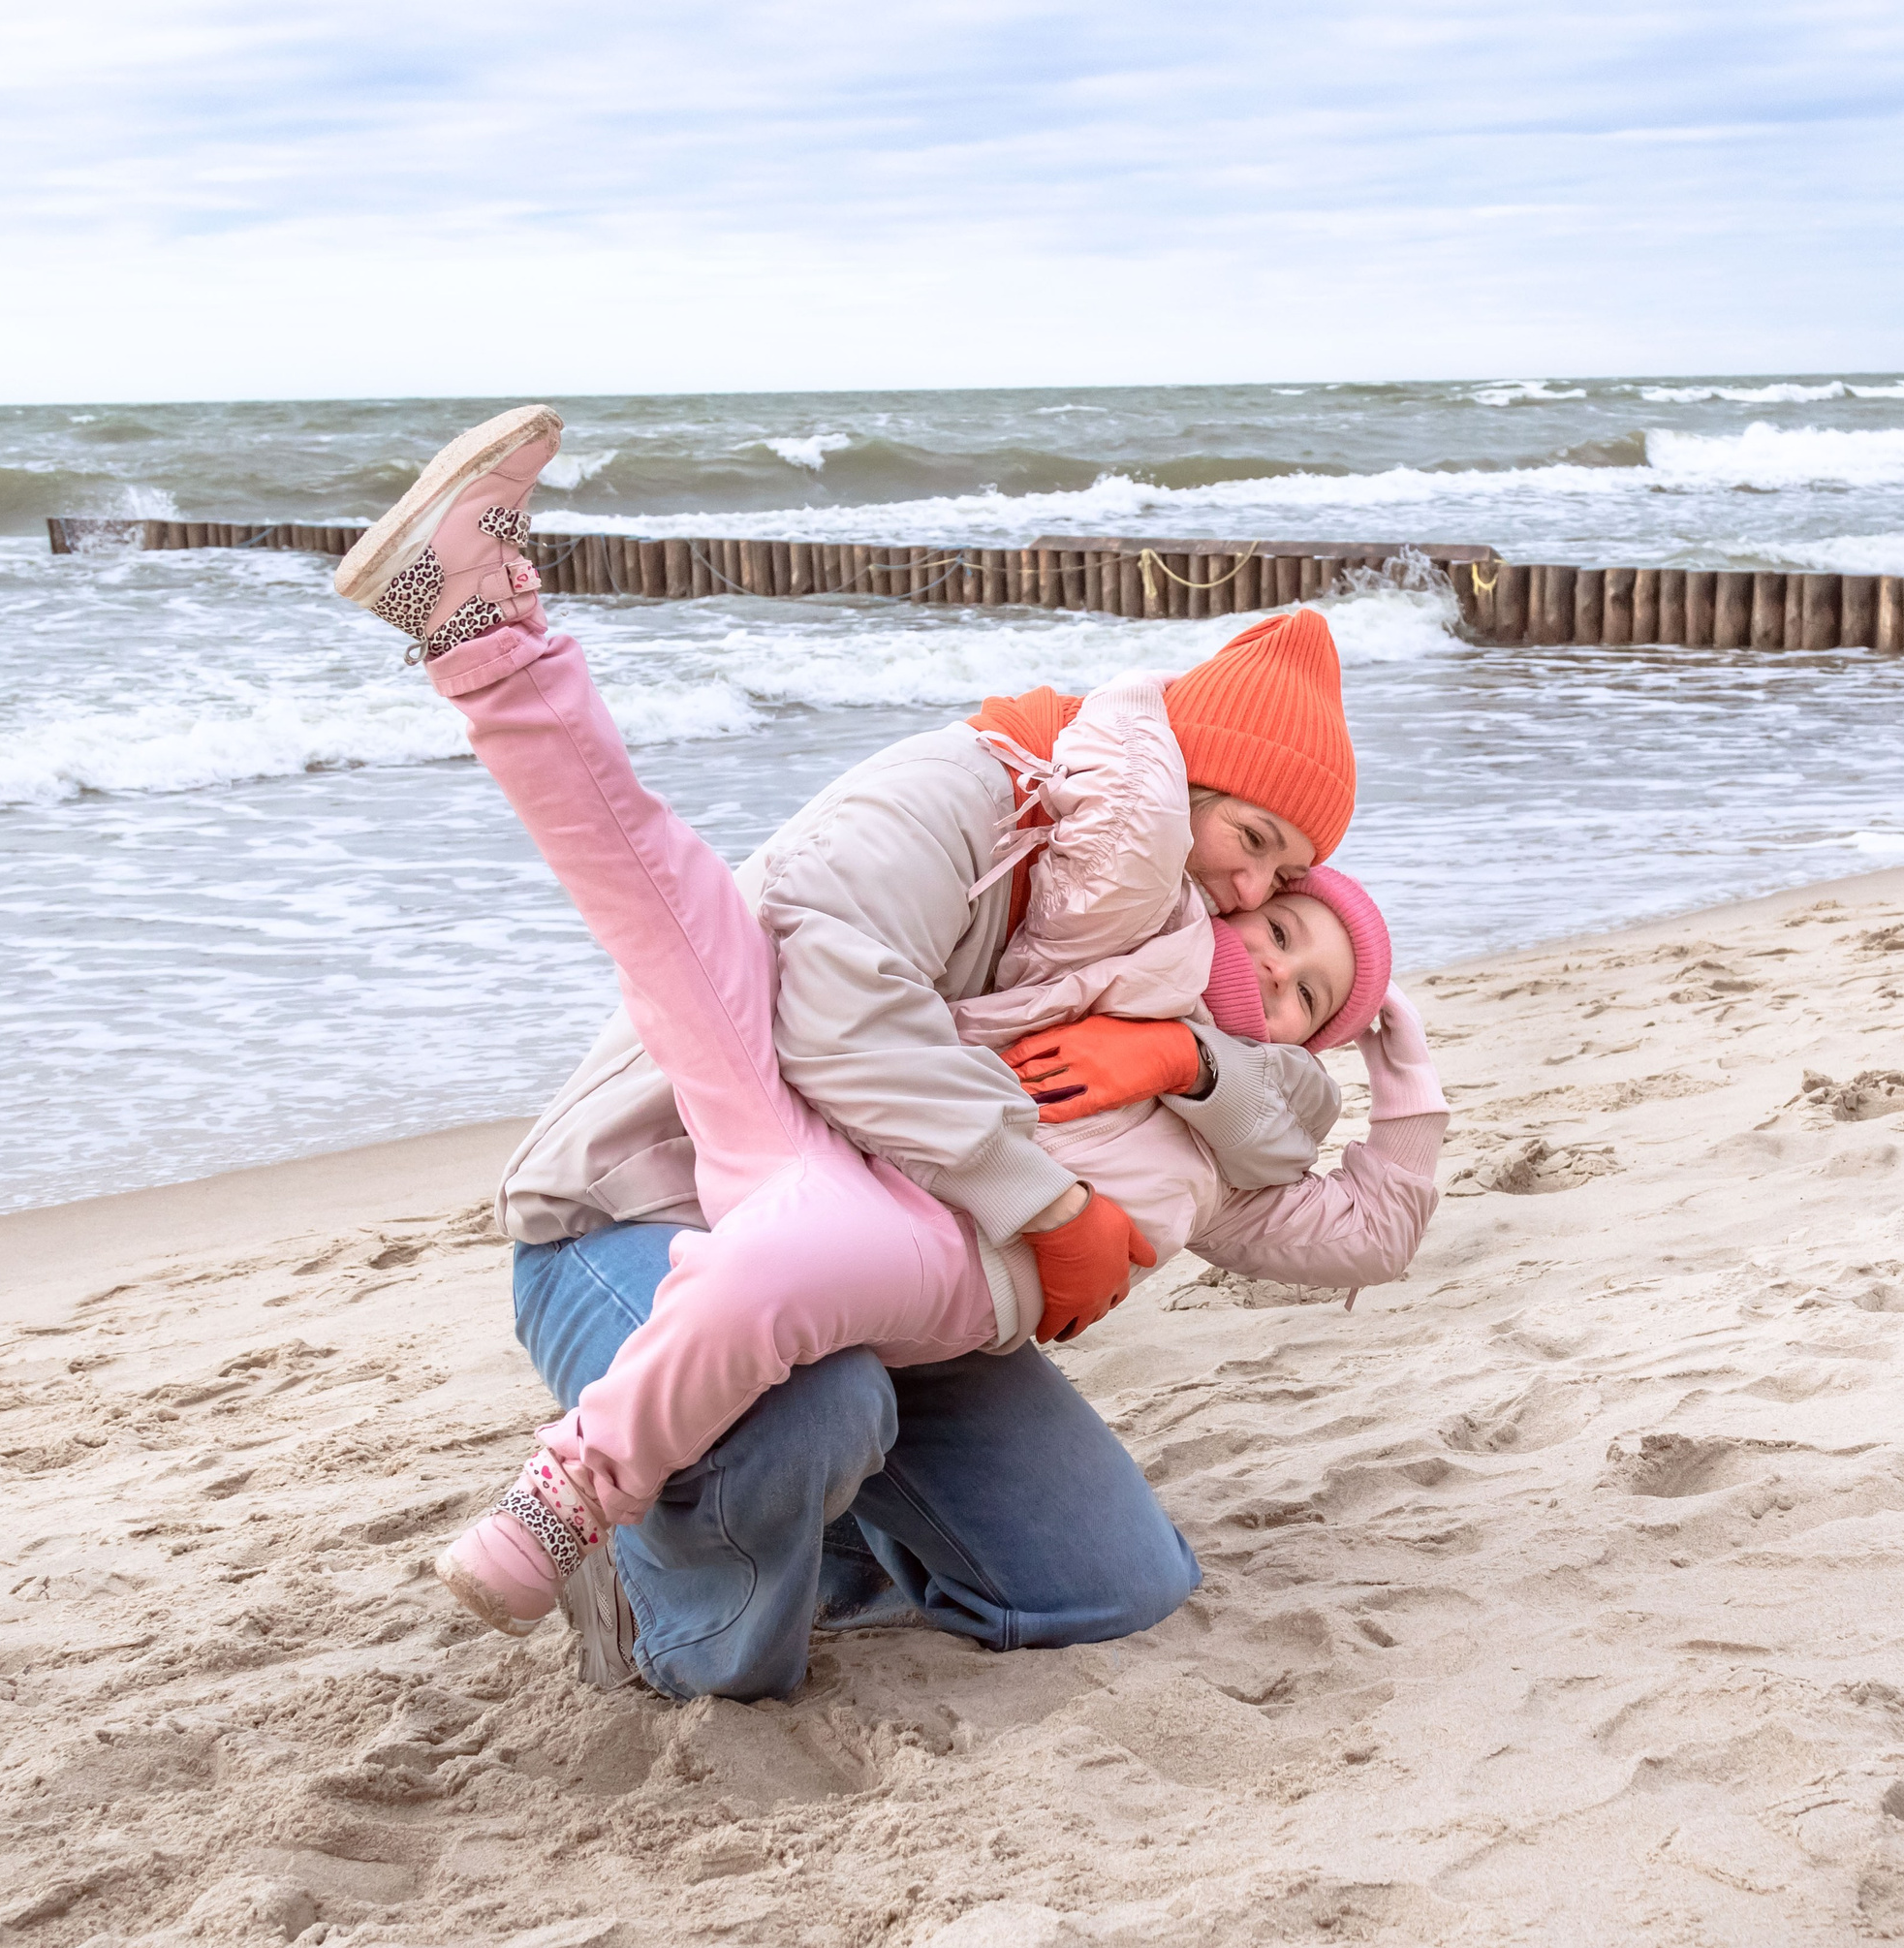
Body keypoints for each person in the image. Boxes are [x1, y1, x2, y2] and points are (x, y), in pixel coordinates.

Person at [333, 407, 1446, 1695]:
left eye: (1289, 887)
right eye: (1256, 848)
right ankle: (649, 1596)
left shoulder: (1173, 979)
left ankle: (811, 1532)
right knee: (813, 1387)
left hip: (911, 1252)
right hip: (647, 1193)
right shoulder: (967, 795)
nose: (1257, 904)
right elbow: (837, 1016)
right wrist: (1054, 1205)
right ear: (1192, 772)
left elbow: (1310, 1166)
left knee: (1115, 1583)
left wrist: (1204, 1068)